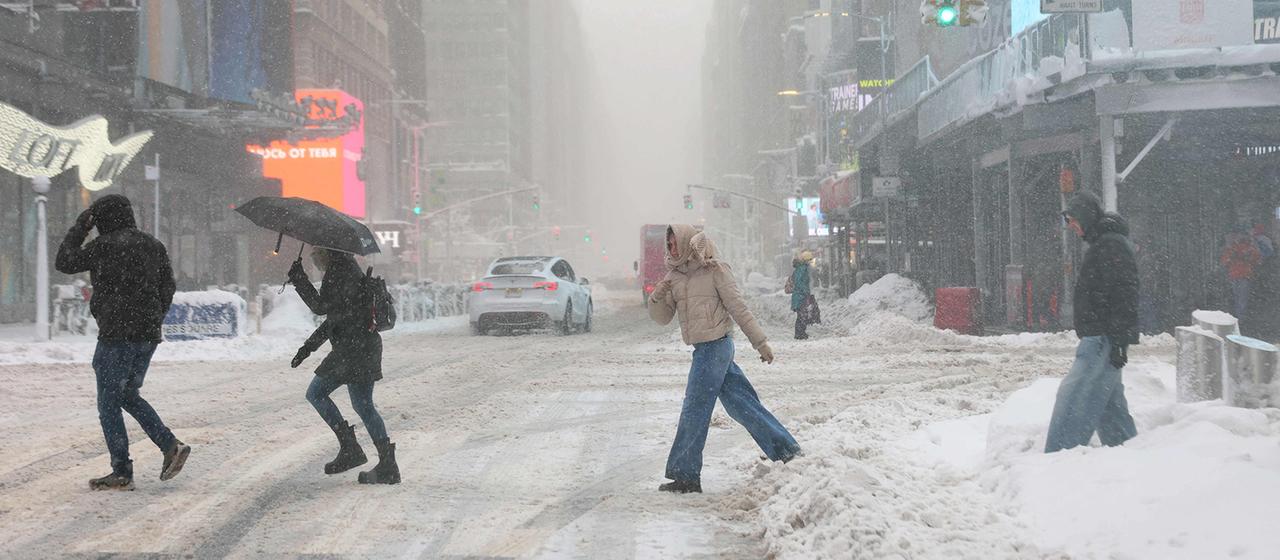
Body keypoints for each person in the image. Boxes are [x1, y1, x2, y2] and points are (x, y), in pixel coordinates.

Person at [649, 225, 801, 493]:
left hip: (715, 348)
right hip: (705, 350)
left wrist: (760, 342)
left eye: (675, 243)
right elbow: (662, 318)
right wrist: (657, 297)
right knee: (742, 405)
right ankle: (786, 449)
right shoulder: (675, 277)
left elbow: (738, 307)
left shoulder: (714, 270)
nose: (671, 249)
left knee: (694, 409)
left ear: (686, 242)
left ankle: (686, 475)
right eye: (668, 245)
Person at [55, 194, 190, 490]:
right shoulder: (153, 245)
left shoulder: (103, 246)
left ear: (101, 218)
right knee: (127, 394)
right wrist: (153, 317)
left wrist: (81, 226)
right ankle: (170, 446)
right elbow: (168, 285)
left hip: (117, 335)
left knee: (108, 403)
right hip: (146, 336)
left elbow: (64, 261)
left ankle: (121, 470)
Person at [289, 247, 399, 484]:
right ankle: (386, 464)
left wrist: (299, 279)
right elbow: (334, 319)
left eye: (316, 255)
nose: (315, 260)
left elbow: (321, 308)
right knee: (363, 405)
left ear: (327, 252)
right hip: (362, 347)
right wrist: (307, 348)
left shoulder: (339, 272)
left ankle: (351, 449)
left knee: (316, 393)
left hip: (352, 350)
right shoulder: (348, 269)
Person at [1045, 192, 1139, 453]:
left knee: (1074, 398)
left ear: (1086, 218)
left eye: (1074, 221)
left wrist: (1119, 339)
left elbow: (1124, 294)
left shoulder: (1110, 246)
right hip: (1106, 336)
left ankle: (1058, 457)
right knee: (1109, 405)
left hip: (1102, 337)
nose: (1072, 227)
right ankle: (1128, 452)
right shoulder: (1107, 244)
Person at [1220, 229, 1261, 320]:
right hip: (1244, 275)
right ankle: (1240, 315)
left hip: (1235, 275)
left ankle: (1238, 315)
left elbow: (1224, 261)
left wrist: (1232, 258)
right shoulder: (1250, 248)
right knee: (1242, 296)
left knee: (1237, 296)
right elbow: (1257, 260)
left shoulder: (1233, 248)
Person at [790, 250, 818, 340]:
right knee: (802, 315)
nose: (811, 262)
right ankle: (799, 333)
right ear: (806, 260)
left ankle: (800, 333)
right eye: (810, 260)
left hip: (800, 295)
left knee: (802, 314)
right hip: (800, 296)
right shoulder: (802, 269)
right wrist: (806, 291)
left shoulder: (802, 268)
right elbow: (799, 282)